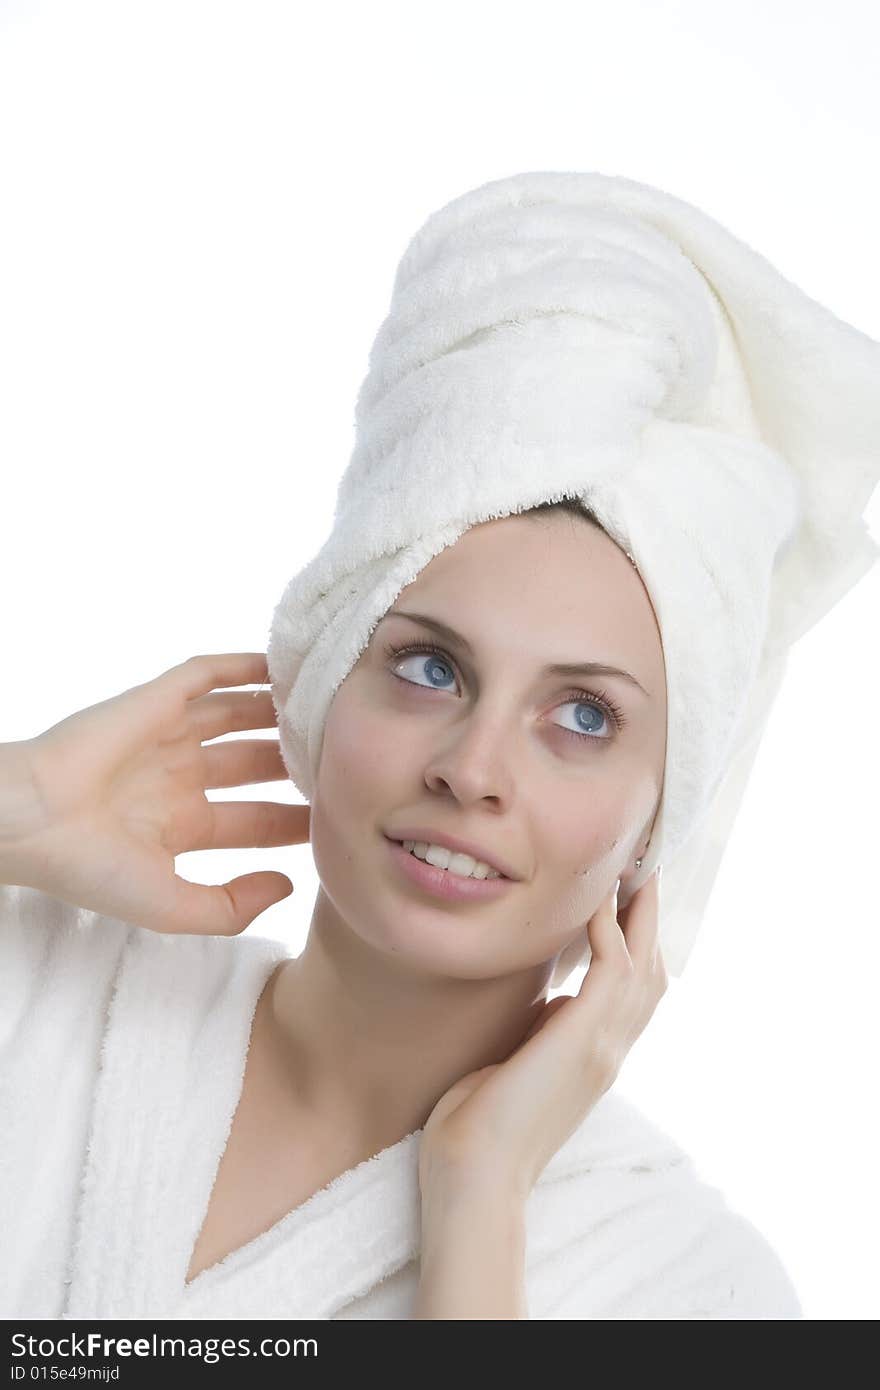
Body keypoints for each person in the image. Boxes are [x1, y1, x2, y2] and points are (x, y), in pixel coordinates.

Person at [0, 498, 803, 1319]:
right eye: (431, 669)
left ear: (658, 825)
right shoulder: (37, 976)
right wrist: (16, 804)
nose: (472, 768)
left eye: (584, 717)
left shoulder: (700, 1286)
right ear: (321, 695)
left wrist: (481, 1193)